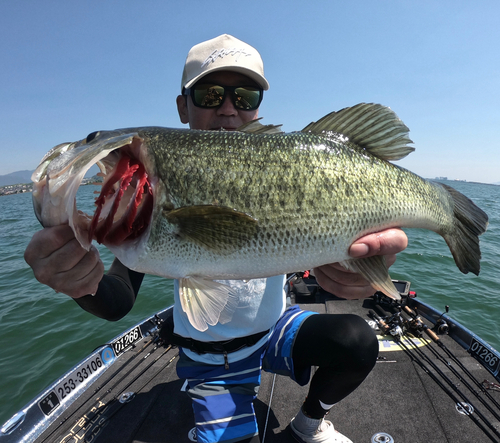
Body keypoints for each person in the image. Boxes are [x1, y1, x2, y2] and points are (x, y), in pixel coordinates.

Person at [24, 34, 408, 443]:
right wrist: (83, 284)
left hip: (274, 332)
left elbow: (322, 247)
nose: (228, 109)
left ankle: (308, 424)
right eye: (209, 94)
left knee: (359, 341)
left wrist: (357, 269)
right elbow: (118, 298)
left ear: (259, 106)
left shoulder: (287, 172)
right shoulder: (148, 204)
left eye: (245, 95)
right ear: (182, 106)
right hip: (212, 361)